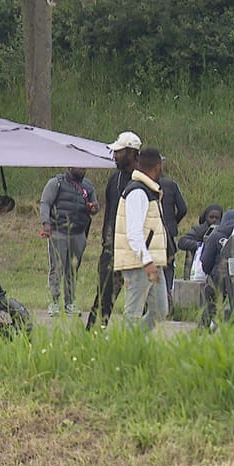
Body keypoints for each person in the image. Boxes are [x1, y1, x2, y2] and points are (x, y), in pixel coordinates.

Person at [86, 131, 141, 330]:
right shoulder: (114, 179)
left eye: (119, 152)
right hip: (112, 249)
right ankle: (92, 336)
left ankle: (136, 343)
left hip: (137, 250)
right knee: (104, 296)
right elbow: (109, 213)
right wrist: (106, 242)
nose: (114, 156)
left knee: (141, 301)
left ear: (132, 153)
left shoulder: (143, 180)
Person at [114, 148, 170, 330]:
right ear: (157, 167)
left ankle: (134, 343)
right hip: (139, 263)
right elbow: (134, 233)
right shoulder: (138, 192)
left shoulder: (149, 191)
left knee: (160, 310)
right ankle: (119, 350)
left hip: (152, 261)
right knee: (133, 314)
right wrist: (146, 261)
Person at [39, 166, 99, 316]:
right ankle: (53, 303)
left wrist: (94, 208)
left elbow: (95, 205)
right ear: (70, 166)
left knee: (72, 270)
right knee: (57, 268)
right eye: (79, 166)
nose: (82, 169)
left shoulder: (88, 186)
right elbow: (45, 203)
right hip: (59, 231)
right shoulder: (56, 183)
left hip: (78, 233)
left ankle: (70, 303)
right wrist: (46, 223)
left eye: (84, 167)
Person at [198, 209, 234, 330]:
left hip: (220, 278)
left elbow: (206, 261)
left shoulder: (215, 235)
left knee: (211, 298)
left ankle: (205, 327)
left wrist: (210, 273)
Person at [158, 172, 188, 297]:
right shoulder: (171, 184)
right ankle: (168, 292)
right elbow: (182, 209)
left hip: (148, 232)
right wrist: (173, 222)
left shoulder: (139, 185)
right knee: (168, 265)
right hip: (168, 231)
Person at [179, 204, 223, 275]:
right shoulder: (199, 230)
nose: (214, 220)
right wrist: (199, 245)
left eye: (217, 218)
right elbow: (182, 242)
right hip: (195, 268)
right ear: (206, 217)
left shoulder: (222, 232)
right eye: (211, 217)